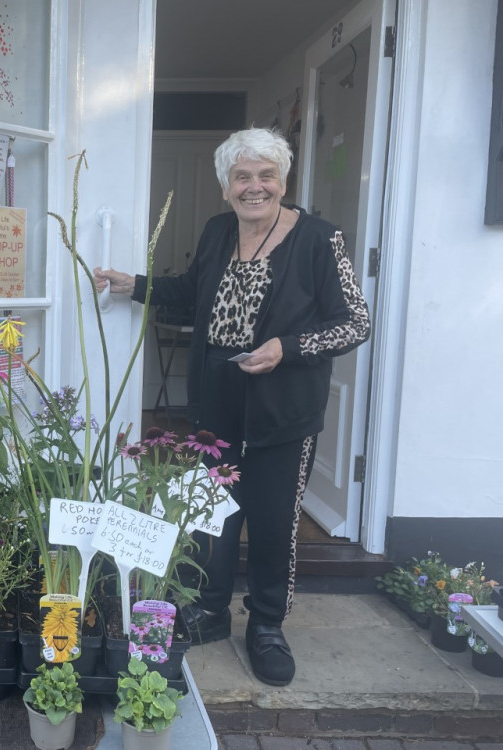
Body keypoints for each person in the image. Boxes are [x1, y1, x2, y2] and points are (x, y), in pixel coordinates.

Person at [94, 128, 370, 687]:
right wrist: (133, 284)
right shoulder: (219, 231)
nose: (255, 186)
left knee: (271, 523)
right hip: (217, 402)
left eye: (266, 175)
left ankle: (266, 625)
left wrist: (285, 349)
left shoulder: (320, 239)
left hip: (282, 407)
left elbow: (355, 323)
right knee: (209, 517)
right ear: (226, 186)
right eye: (243, 176)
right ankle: (209, 609)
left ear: (283, 181)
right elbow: (193, 290)